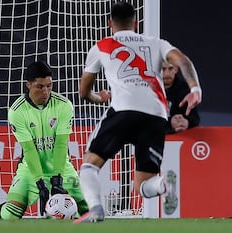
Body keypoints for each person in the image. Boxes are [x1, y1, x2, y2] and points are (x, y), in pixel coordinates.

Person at [74, 2, 202, 223]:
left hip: (123, 109)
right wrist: (195, 89)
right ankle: (163, 184)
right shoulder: (156, 43)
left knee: (89, 165)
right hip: (156, 115)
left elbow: (83, 91)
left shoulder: (101, 46)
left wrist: (98, 98)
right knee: (142, 186)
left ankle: (95, 209)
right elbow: (183, 60)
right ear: (135, 23)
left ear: (109, 24)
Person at [0, 61, 88, 220]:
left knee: (89, 210)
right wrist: (39, 181)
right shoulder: (17, 111)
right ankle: (0, 210)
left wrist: (57, 180)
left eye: (49, 86)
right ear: (28, 85)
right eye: (40, 86)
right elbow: (29, 150)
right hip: (30, 170)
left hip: (61, 168)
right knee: (10, 216)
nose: (46, 91)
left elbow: (60, 145)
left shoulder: (64, 105)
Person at [162, 61, 200, 134]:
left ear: (176, 69)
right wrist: (170, 122)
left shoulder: (185, 89)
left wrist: (187, 122)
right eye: (163, 69)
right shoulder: (149, 89)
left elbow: (195, 118)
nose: (167, 74)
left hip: (180, 138)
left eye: (170, 69)